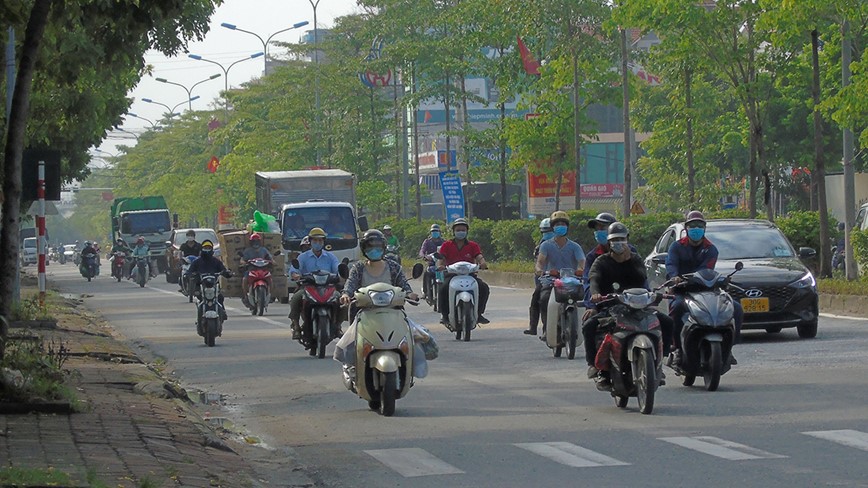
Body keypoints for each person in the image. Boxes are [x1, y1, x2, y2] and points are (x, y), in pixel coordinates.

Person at [584, 222, 674, 384]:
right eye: (615, 240)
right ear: (609, 243)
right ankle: (596, 366)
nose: (619, 243)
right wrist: (596, 294)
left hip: (638, 305)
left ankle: (659, 362)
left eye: (622, 239)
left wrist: (628, 259)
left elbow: (642, 278)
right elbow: (594, 279)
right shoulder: (600, 261)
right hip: (611, 307)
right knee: (589, 326)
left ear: (627, 240)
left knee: (667, 322)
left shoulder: (635, 259)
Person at [334, 230, 422, 371]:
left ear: (383, 248)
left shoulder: (394, 267)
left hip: (393, 311)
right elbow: (350, 284)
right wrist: (345, 294)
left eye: (378, 247)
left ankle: (409, 365)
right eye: (370, 247)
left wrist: (411, 294)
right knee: (351, 341)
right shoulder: (358, 268)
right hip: (363, 311)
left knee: (415, 338)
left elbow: (404, 285)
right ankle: (352, 366)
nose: (374, 250)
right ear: (363, 249)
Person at [666, 210, 742, 365]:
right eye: (692, 225)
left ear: (704, 228)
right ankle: (678, 348)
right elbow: (671, 264)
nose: (696, 229)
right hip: (682, 290)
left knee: (736, 308)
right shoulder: (676, 247)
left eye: (699, 225)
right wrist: (675, 277)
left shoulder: (711, 249)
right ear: (686, 228)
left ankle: (729, 349)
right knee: (676, 308)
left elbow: (706, 270)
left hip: (706, 290)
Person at [533, 211, 585, 335]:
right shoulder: (545, 245)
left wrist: (582, 270)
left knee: (584, 298)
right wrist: (541, 271)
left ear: (567, 227)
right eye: (557, 224)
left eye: (563, 224)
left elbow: (583, 261)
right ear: (552, 227)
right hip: (550, 281)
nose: (560, 226)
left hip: (570, 281)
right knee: (542, 297)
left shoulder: (575, 246)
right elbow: (540, 262)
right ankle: (545, 328)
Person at [436, 218, 491, 325]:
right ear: (454, 231)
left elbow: (479, 256)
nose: (460, 232)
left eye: (463, 230)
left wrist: (483, 263)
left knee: (484, 288)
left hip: (469, 275)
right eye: (458, 230)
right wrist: (440, 266)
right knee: (443, 289)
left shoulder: (473, 245)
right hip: (451, 275)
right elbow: (441, 259)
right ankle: (444, 315)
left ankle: (479, 313)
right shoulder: (446, 245)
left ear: (466, 231)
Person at [289, 227, 340, 341]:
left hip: (328, 288)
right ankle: (296, 326)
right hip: (308, 287)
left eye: (320, 241)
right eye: (315, 241)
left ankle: (338, 326)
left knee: (341, 300)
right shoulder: (303, 257)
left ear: (324, 242)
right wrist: (296, 275)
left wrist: (342, 274)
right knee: (296, 299)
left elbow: (337, 269)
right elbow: (293, 270)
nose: (318, 243)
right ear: (310, 242)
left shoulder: (331, 257)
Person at [582, 212, 637, 309]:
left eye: (602, 228)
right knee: (589, 322)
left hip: (630, 304)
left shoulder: (632, 252)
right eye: (596, 229)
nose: (599, 231)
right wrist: (593, 303)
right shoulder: (593, 257)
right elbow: (589, 282)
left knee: (662, 321)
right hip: (603, 305)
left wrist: (648, 298)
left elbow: (641, 276)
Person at [186, 240, 230, 322]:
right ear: (202, 249)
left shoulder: (216, 261)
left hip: (213, 286)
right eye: (205, 248)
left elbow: (223, 270)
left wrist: (227, 273)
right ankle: (200, 317)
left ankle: (223, 311)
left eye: (209, 248)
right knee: (199, 297)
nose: (207, 249)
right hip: (201, 285)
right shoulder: (197, 261)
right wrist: (190, 274)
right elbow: (190, 271)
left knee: (220, 297)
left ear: (212, 249)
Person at [523, 218, 554, 335]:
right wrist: (540, 272)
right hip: (546, 279)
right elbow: (539, 264)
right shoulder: (541, 247)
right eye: (544, 231)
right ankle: (534, 327)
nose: (547, 233)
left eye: (549, 230)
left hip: (565, 278)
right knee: (538, 298)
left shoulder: (569, 245)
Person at [240, 233, 274, 308]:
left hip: (263, 269)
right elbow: (242, 260)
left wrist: (272, 261)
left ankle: (270, 295)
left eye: (257, 241)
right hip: (251, 269)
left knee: (270, 279)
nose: (255, 243)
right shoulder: (247, 251)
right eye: (254, 241)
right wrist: (244, 263)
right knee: (245, 279)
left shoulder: (264, 250)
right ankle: (246, 296)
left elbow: (270, 258)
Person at [418, 224, 445, 300]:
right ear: (430, 233)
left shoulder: (444, 242)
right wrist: (424, 256)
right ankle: (425, 292)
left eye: (436, 231)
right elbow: (422, 251)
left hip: (442, 264)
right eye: (433, 231)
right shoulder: (427, 242)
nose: (435, 233)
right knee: (426, 273)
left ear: (440, 232)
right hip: (431, 264)